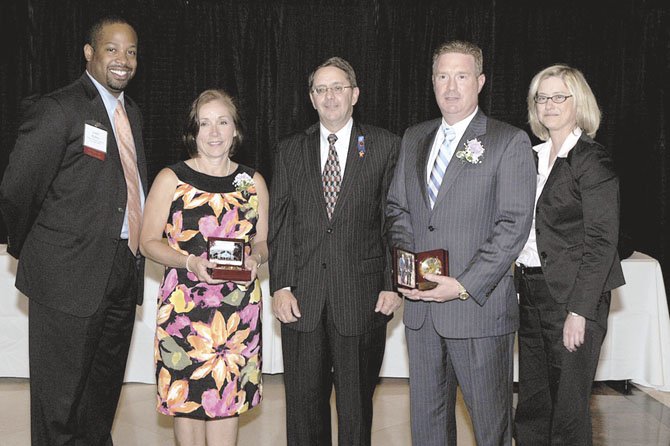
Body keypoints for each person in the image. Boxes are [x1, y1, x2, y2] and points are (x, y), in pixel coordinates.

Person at [0, 15, 145, 444]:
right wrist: (40, 248)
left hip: (122, 269)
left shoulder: (131, 113)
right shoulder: (59, 108)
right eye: (112, 49)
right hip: (66, 276)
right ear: (89, 53)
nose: (123, 59)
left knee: (101, 398)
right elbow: (17, 187)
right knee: (58, 405)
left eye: (132, 51)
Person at [385, 40, 536, 445]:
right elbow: (398, 209)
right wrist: (408, 268)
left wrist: (464, 283)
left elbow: (513, 225)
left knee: (491, 428)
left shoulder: (508, 141)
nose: (451, 86)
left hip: (477, 311)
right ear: (432, 82)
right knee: (428, 428)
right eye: (442, 76)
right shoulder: (414, 137)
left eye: (462, 76)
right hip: (422, 313)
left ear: (480, 82)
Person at [268, 56, 401, 446]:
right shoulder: (290, 150)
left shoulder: (383, 145)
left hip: (361, 298)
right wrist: (280, 286)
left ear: (354, 94)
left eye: (338, 88)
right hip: (301, 301)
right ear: (311, 98)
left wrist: (393, 284)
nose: (330, 96)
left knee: (356, 408)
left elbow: (393, 221)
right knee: (304, 408)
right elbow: (280, 224)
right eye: (321, 89)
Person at [139, 89, 268, 446]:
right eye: (205, 123)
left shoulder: (253, 182)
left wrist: (256, 258)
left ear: (235, 130)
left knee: (226, 402)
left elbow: (262, 242)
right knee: (187, 400)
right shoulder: (171, 178)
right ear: (193, 132)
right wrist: (189, 261)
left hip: (237, 315)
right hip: (184, 310)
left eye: (222, 122)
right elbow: (147, 241)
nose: (214, 132)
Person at [514, 64, 625, 445]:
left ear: (579, 102)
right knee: (532, 404)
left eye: (559, 96)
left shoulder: (592, 161)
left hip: (572, 298)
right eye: (541, 97)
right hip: (529, 292)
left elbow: (601, 241)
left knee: (567, 411)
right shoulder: (531, 157)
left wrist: (580, 310)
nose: (548, 104)